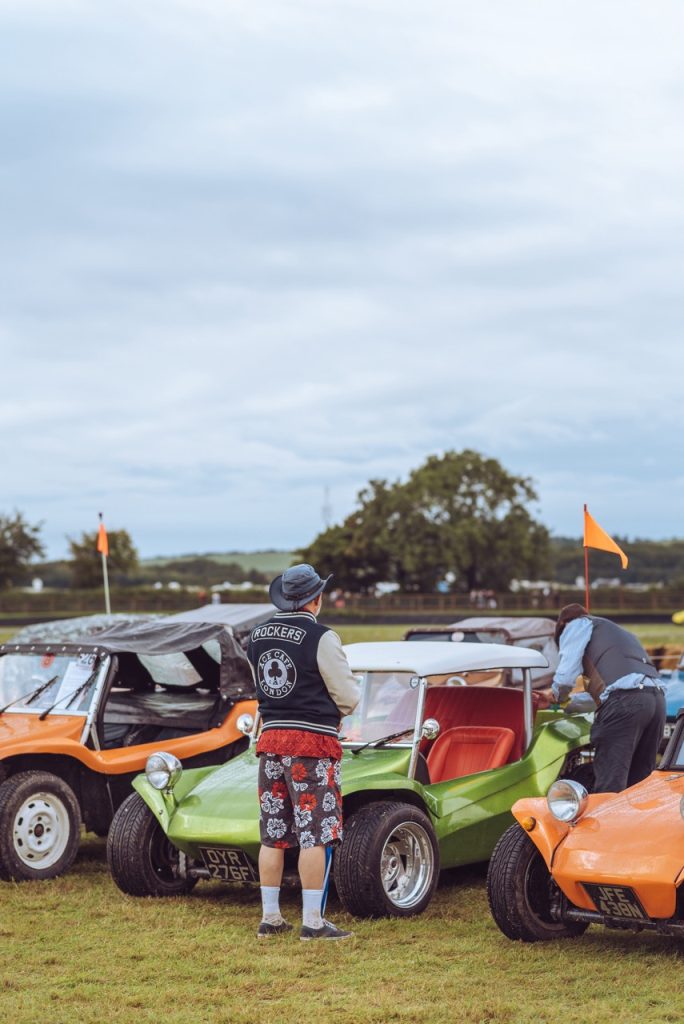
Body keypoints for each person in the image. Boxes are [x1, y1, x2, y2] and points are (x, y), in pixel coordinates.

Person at [247, 563, 360, 941]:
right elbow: (348, 696)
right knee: (315, 833)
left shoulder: (257, 635)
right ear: (317, 597)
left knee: (273, 832)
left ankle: (270, 917)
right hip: (311, 743)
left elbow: (262, 689)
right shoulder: (322, 637)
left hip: (271, 740)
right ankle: (312, 921)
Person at [549, 603, 665, 793]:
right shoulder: (619, 634)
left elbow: (565, 678)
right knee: (640, 784)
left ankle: (608, 823)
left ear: (563, 624)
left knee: (610, 785)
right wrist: (568, 705)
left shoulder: (576, 625)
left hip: (626, 702)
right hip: (656, 700)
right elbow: (604, 695)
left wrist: (555, 696)